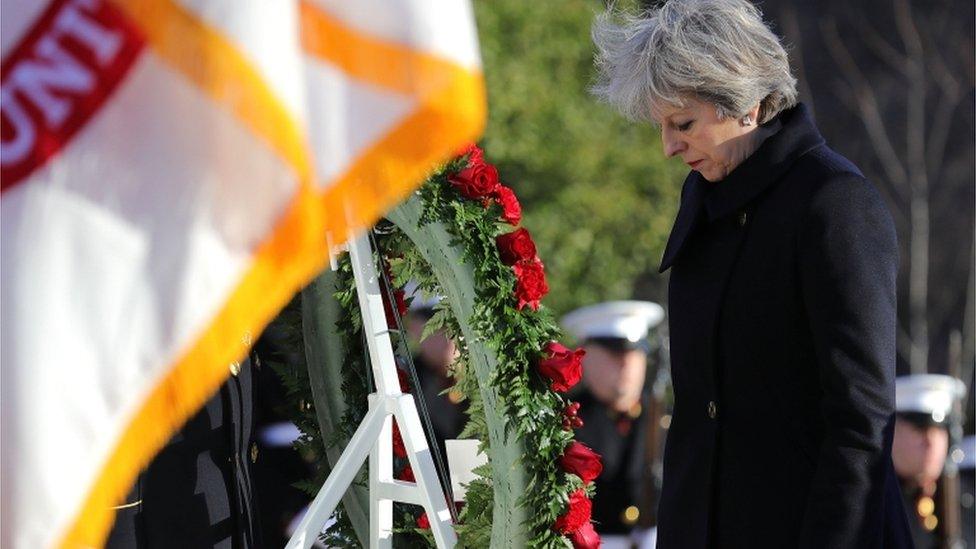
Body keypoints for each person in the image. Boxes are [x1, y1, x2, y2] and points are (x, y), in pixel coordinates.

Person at [591, 1, 913, 547]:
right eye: (661, 126)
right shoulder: (707, 199)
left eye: (683, 123)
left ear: (748, 104)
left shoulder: (835, 205)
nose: (668, 147)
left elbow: (860, 421)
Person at [562, 300, 664, 549]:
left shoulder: (664, 419)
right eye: (614, 353)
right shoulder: (565, 422)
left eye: (635, 352)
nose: (627, 363)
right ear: (583, 355)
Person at [892, 374, 967, 548]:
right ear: (893, 432)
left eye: (940, 430)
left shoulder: (963, 500)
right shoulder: (874, 499)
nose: (931, 441)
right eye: (920, 428)